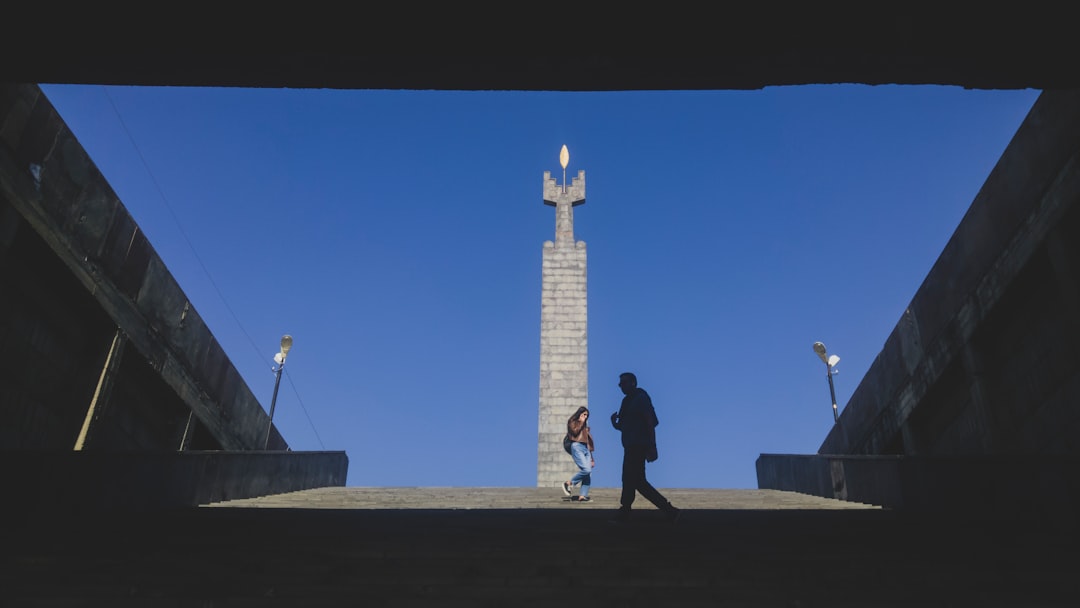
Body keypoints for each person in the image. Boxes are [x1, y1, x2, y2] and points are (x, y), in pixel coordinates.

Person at [609, 372, 680, 523]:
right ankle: (668, 510)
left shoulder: (641, 397)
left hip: (639, 445)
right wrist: (615, 424)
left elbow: (650, 422)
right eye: (620, 384)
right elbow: (624, 426)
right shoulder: (626, 401)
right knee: (634, 480)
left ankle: (626, 510)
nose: (621, 386)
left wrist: (652, 446)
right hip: (629, 445)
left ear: (633, 383)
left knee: (632, 479)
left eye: (624, 383)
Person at [562, 406, 595, 502]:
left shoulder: (585, 427)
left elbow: (588, 442)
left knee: (588, 473)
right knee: (586, 470)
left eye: (587, 415)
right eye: (584, 414)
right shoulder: (573, 421)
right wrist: (580, 422)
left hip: (586, 450)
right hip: (577, 446)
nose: (586, 417)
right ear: (579, 414)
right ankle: (569, 483)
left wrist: (592, 458)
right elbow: (574, 432)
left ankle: (583, 496)